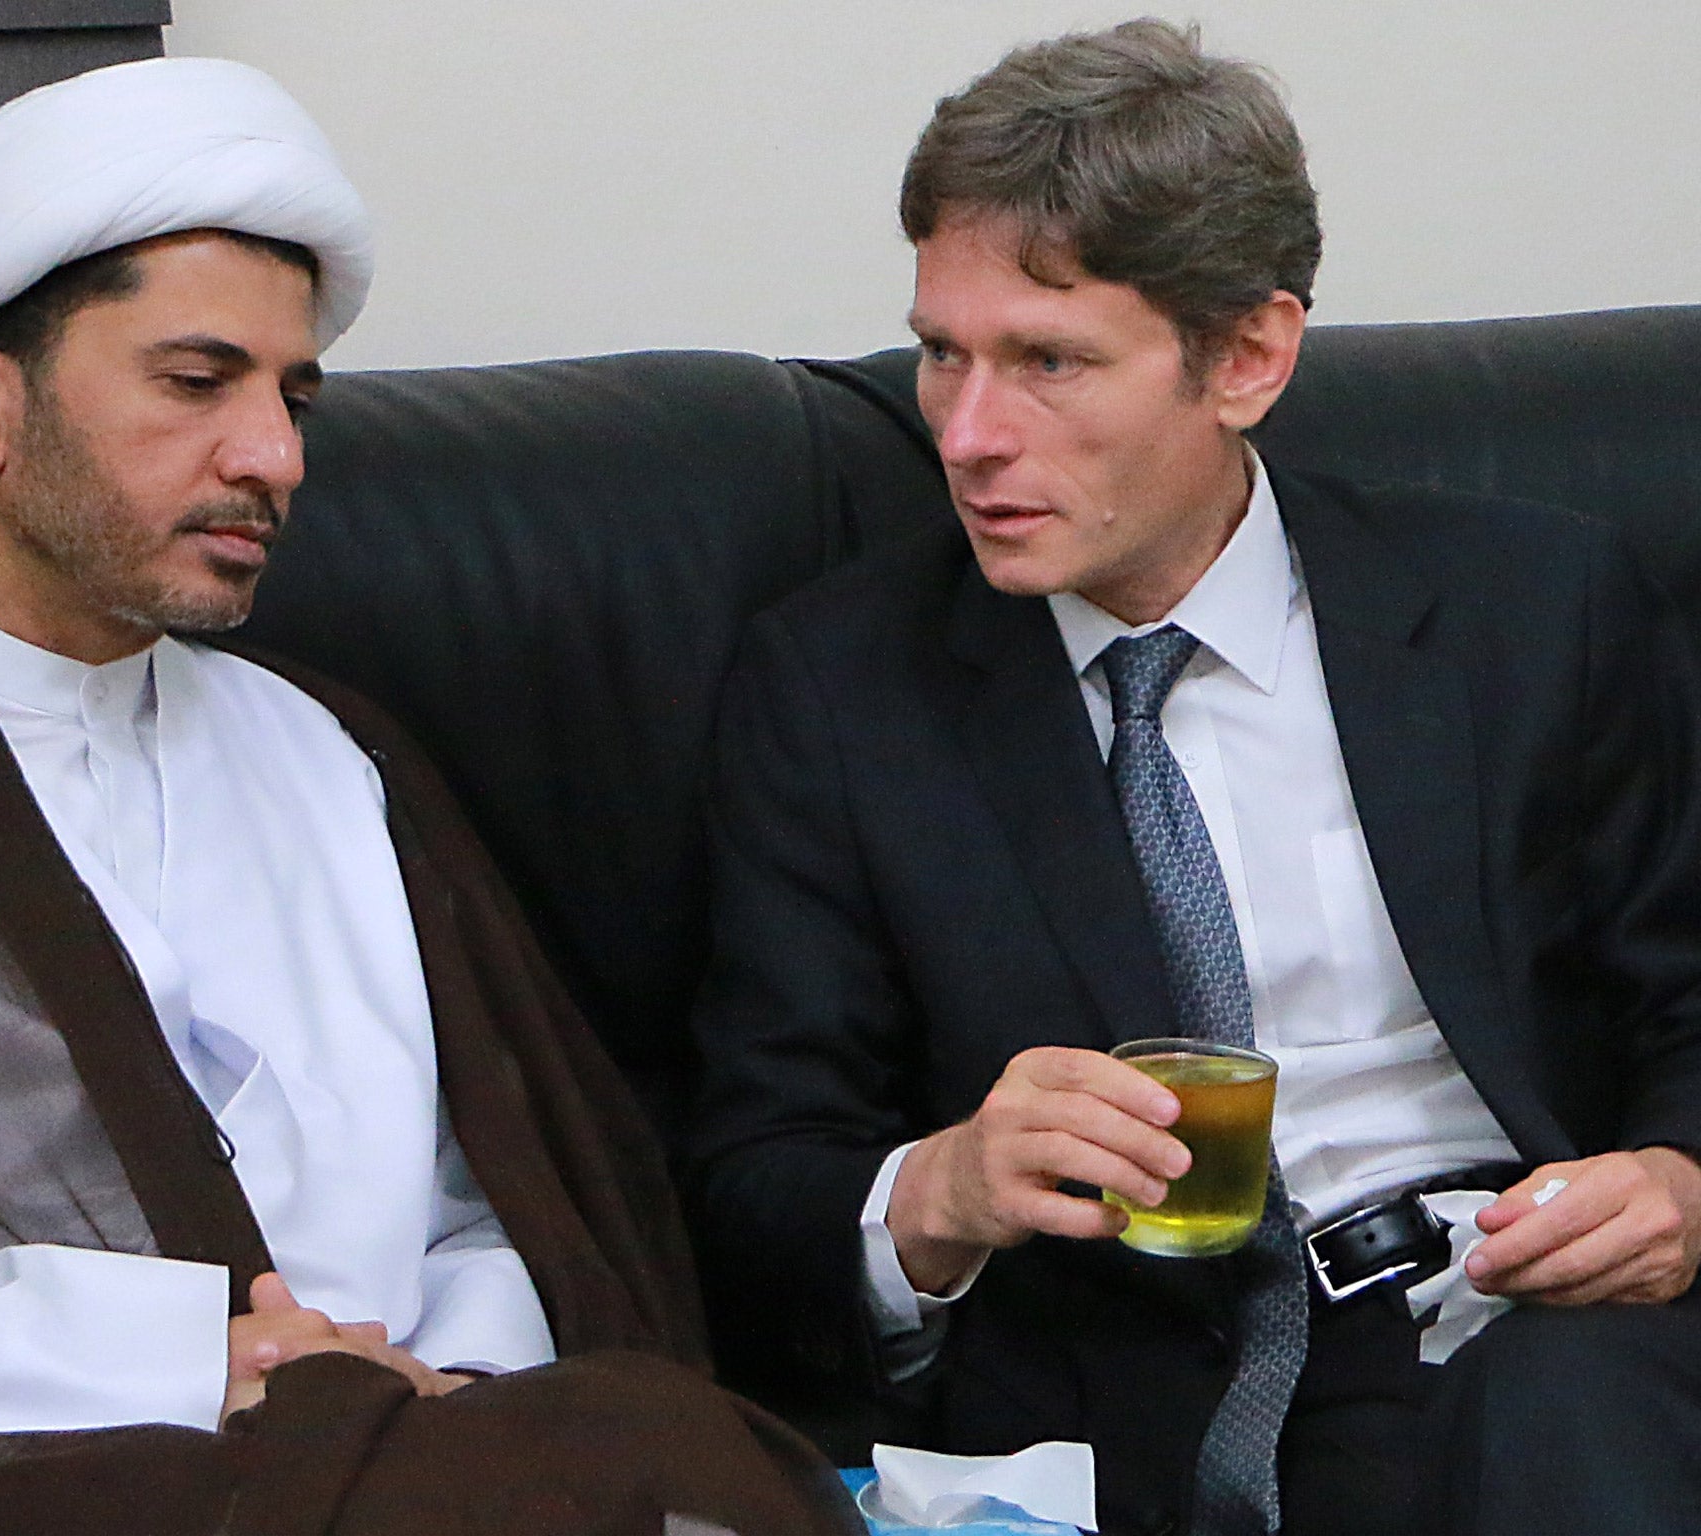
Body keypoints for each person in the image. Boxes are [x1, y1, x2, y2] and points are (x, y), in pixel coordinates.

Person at [0, 57, 857, 1536]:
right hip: (38, 1476)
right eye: (196, 382)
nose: (275, 458)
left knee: (677, 1457)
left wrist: (435, 1391)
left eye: (293, 396)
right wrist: (177, 1363)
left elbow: (501, 1210)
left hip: (438, 1460)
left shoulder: (332, 755)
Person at [685, 20, 1701, 1536]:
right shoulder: (838, 693)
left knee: (1569, 1414)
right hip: (1156, 1395)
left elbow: (1689, 1002)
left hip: (1531, 1328)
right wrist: (941, 1191)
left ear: (1248, 358)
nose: (965, 434)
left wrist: (1684, 1182)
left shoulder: (1528, 614)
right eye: (943, 353)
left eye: (1049, 362)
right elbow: (745, 1181)